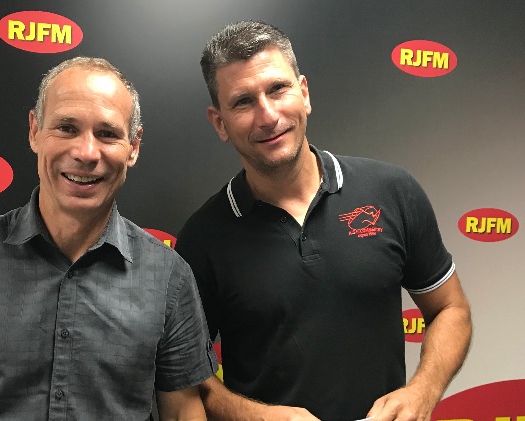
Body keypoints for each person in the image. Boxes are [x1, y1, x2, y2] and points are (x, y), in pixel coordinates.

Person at [175, 20, 473, 421]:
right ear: (219, 123)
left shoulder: (392, 191)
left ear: (304, 93)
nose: (267, 115)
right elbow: (187, 376)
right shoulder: (202, 238)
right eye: (243, 102)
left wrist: (424, 390)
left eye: (277, 89)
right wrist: (257, 417)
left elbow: (450, 308)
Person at [0, 57, 217, 420]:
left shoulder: (169, 277)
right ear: (35, 130)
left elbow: (183, 413)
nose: (86, 153)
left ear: (134, 146)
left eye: (107, 134)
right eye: (66, 128)